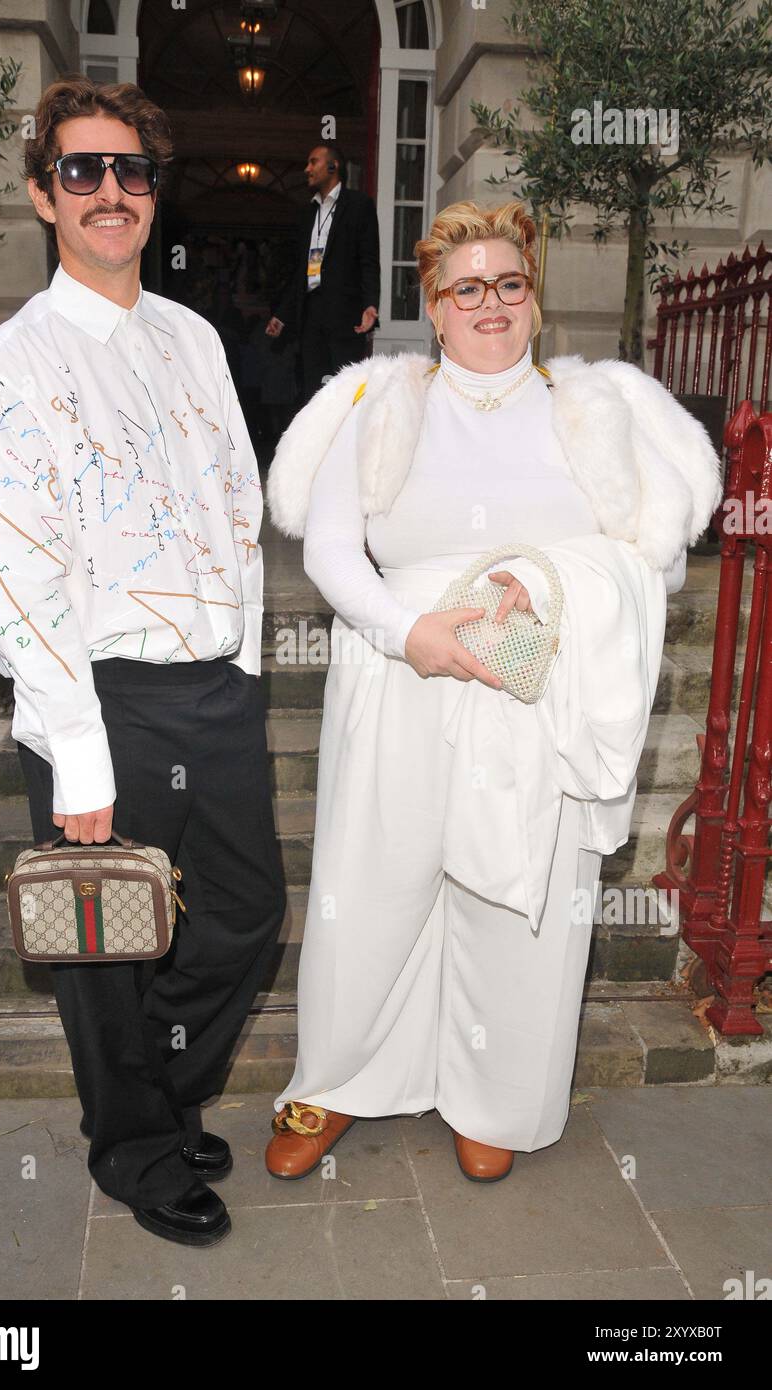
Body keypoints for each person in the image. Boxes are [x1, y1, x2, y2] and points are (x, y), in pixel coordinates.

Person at [263, 199, 722, 1183]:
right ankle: (339, 1079)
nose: (490, 302)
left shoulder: (586, 411)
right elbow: (334, 547)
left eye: (508, 283)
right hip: (400, 675)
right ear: (431, 303)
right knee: (374, 886)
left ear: (534, 300)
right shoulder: (382, 406)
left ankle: (490, 1093)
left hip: (534, 681)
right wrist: (408, 632)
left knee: (520, 898)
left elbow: (642, 554)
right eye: (466, 285)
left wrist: (550, 582)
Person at [0, 76, 286, 1245]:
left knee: (244, 917)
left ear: (153, 193)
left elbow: (235, 500)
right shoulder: (13, 362)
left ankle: (153, 1093)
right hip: (104, 699)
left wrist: (244, 658)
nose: (111, 191)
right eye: (83, 171)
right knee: (104, 945)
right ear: (44, 194)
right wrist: (78, 750)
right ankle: (137, 1147)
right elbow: (19, 570)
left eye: (131, 171)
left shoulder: (193, 335)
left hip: (215, 686)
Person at [265, 144, 380, 403]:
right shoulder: (307, 213)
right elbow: (301, 270)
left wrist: (370, 303)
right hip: (311, 315)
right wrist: (282, 314)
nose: (307, 169)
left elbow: (369, 259)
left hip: (344, 314)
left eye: (313, 162)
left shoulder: (359, 205)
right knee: (312, 390)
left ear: (333, 166)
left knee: (346, 388)